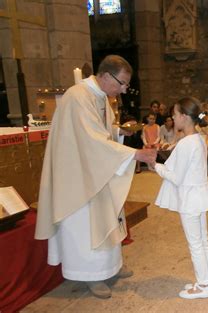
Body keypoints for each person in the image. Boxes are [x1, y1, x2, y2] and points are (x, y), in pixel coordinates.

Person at [34, 55, 156, 299]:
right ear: (105, 75)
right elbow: (91, 141)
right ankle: (90, 275)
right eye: (121, 83)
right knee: (86, 225)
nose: (122, 90)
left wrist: (117, 131)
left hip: (97, 169)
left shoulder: (100, 97)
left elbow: (101, 133)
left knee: (107, 218)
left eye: (125, 85)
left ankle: (110, 267)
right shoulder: (78, 97)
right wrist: (135, 154)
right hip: (78, 176)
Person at [152, 97, 208, 299]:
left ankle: (203, 285)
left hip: (190, 198)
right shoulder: (198, 138)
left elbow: (177, 178)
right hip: (199, 195)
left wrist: (155, 166)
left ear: (184, 117)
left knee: (195, 243)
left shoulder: (186, 143)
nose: (172, 116)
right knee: (203, 240)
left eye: (175, 113)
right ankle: (207, 279)